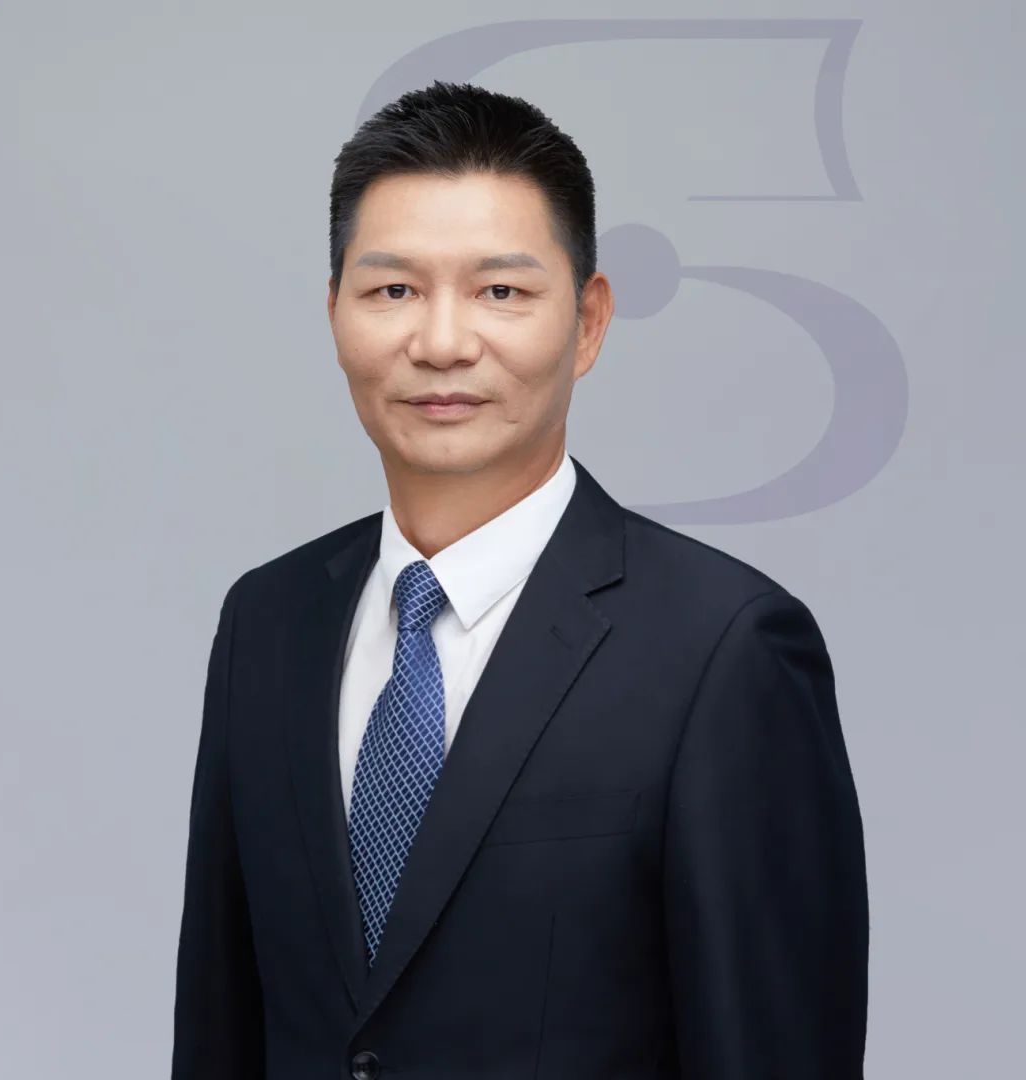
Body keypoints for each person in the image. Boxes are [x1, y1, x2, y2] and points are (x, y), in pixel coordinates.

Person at [171, 79, 869, 1080]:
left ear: (588, 322)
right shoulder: (269, 622)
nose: (442, 343)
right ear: (334, 315)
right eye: (392, 291)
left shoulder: (723, 650)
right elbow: (221, 1029)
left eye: (501, 292)